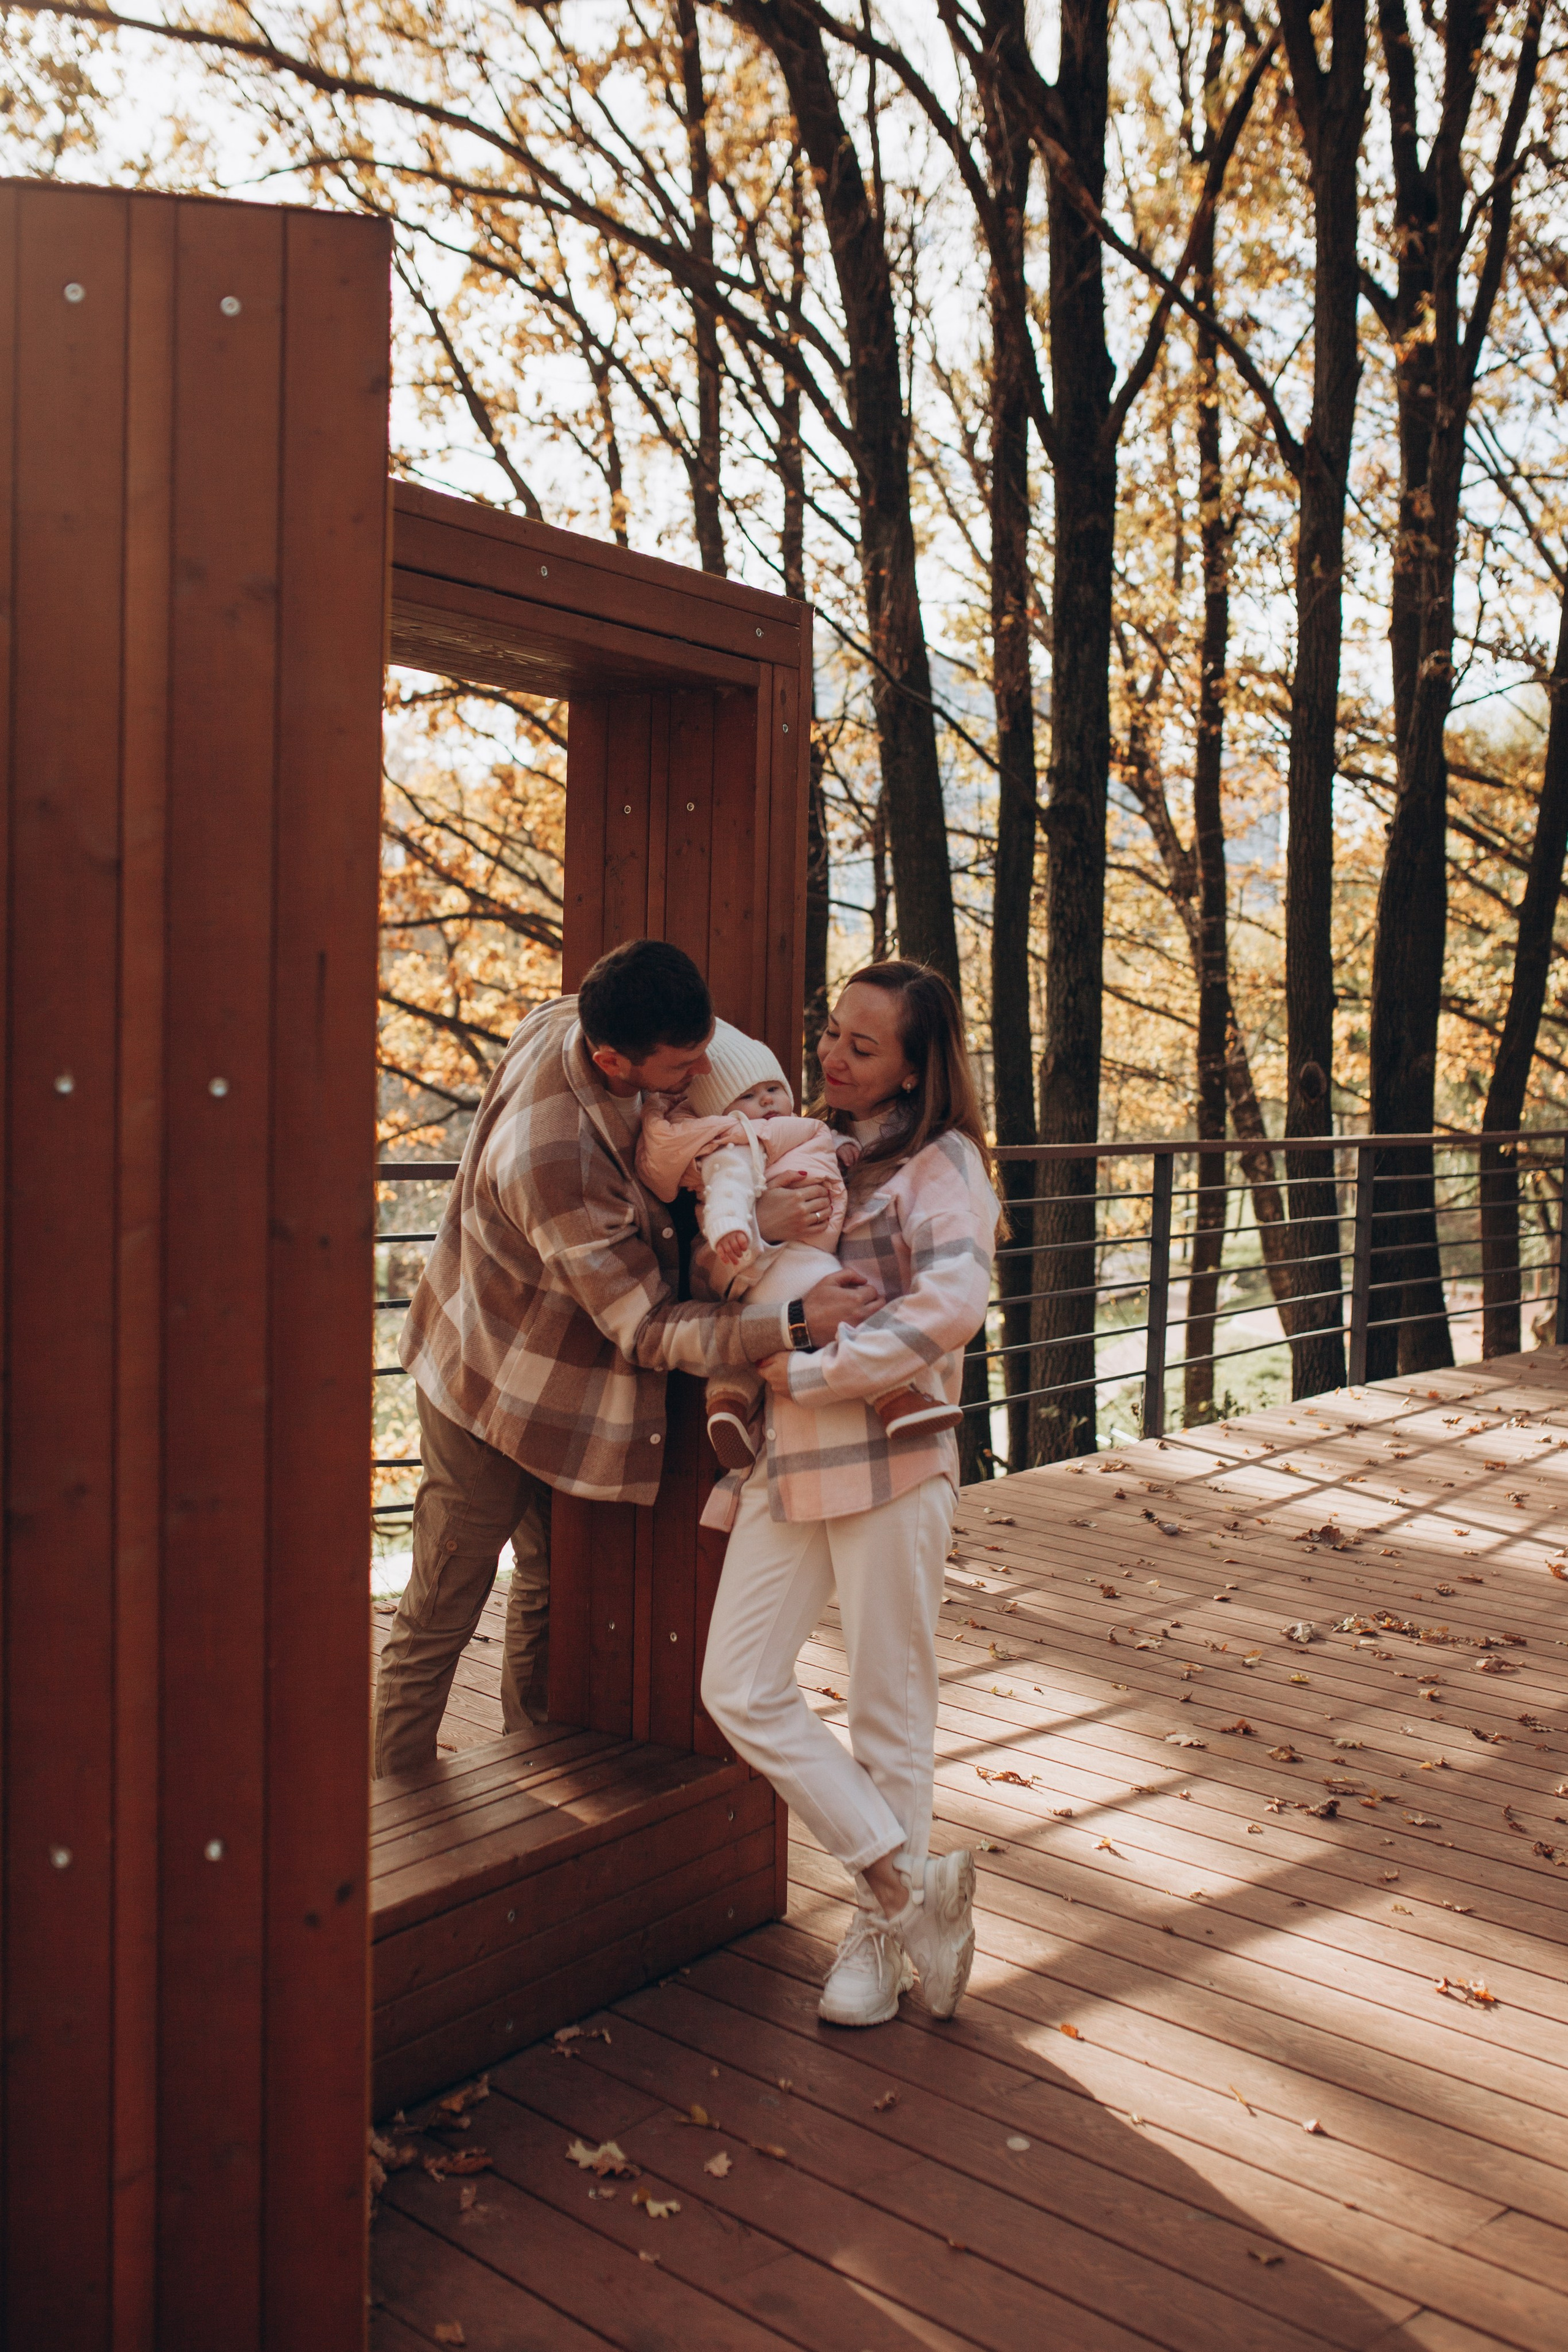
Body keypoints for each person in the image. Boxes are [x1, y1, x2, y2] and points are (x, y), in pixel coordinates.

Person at [372, 938, 876, 1779]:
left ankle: (528, 1772)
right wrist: (788, 1319)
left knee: (547, 1586)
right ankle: (393, 1807)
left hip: (556, 1378)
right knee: (445, 1603)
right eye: (681, 1069)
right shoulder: (556, 1162)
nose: (697, 1079)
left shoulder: (580, 1015)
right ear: (612, 1060)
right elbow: (644, 1328)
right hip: (488, 1378)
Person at [699, 960, 1001, 2028]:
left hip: (892, 1463)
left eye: (861, 1048)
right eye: (830, 1033)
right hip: (791, 1463)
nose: (829, 1057)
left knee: (888, 1709)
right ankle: (903, 1884)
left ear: (918, 1071)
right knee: (736, 1685)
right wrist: (758, 1225)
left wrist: (820, 1369)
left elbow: (955, 1302)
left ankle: (878, 1942)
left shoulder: (942, 1166)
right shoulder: (805, 1150)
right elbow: (727, 1266)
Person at [636, 1019, 962, 1467]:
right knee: (850, 1301)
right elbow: (728, 1189)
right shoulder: (737, 1145)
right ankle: (895, 1397)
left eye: (772, 1088)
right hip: (789, 1260)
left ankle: (727, 1401)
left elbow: (816, 1138)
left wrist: (843, 1147)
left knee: (752, 1333)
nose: (765, 1100)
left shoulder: (803, 1129)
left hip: (772, 1276)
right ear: (722, 1112)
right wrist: (744, 1225)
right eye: (747, 1097)